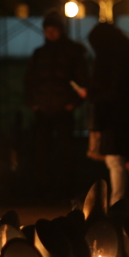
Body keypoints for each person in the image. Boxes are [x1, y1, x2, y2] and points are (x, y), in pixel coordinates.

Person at [23, 11, 89, 200]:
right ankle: (44, 188)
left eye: (54, 29)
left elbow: (82, 80)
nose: (51, 33)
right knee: (42, 150)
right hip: (43, 109)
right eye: (48, 30)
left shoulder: (72, 53)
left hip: (63, 108)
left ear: (61, 30)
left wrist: (73, 103)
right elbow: (29, 80)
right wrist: (33, 103)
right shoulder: (39, 54)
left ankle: (65, 188)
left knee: (65, 150)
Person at [86, 21, 129, 207]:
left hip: (113, 116)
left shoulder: (107, 57)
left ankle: (117, 204)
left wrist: (92, 94)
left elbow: (107, 88)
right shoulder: (126, 51)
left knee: (115, 160)